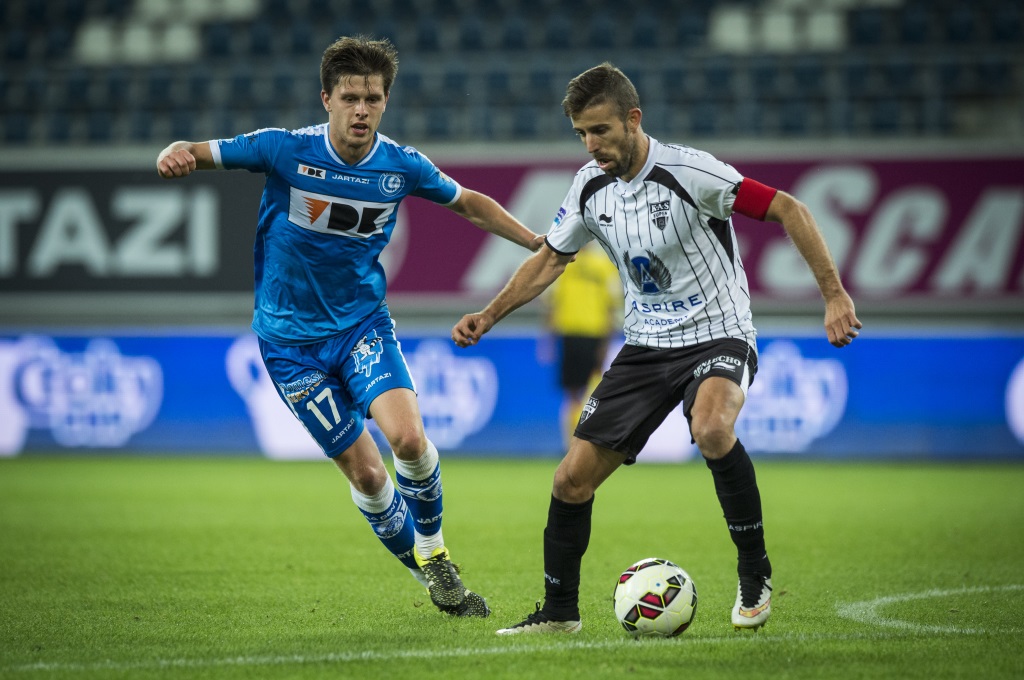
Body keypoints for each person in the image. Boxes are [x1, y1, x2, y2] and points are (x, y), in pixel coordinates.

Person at [451, 62, 862, 634]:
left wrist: (834, 295)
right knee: (571, 479)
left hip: (718, 333)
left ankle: (754, 572)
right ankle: (560, 614)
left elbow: (788, 207)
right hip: (645, 347)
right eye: (582, 134)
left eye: (601, 130)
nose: (592, 145)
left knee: (713, 428)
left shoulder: (691, 172)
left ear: (633, 119)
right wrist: (489, 315)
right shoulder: (590, 186)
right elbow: (551, 256)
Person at [157, 35, 544, 618]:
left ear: (385, 101)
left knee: (409, 439)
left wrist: (536, 241)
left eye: (373, 98)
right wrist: (175, 152)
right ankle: (433, 580)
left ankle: (435, 551)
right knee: (366, 475)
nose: (362, 109)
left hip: (362, 325)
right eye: (350, 97)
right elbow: (198, 149)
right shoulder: (282, 150)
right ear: (327, 100)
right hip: (289, 345)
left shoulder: (400, 165)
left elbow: (467, 202)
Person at [543, 241, 621, 446]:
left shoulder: (572, 264)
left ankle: (580, 441)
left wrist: (548, 340)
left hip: (584, 334)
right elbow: (611, 307)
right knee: (580, 392)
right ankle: (576, 442)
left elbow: (610, 307)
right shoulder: (594, 265)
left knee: (582, 392)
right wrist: (549, 339)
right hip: (577, 334)